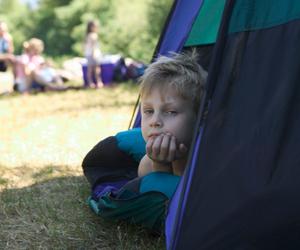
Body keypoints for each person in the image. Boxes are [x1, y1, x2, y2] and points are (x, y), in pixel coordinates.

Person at [138, 51, 207, 177]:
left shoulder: (207, 162)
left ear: (200, 116)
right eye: (149, 111)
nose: (155, 121)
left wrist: (179, 167)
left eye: (170, 112)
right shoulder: (146, 164)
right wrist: (159, 166)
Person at [83, 20, 103, 88]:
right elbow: (93, 46)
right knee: (96, 68)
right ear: (91, 27)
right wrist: (94, 53)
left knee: (90, 69)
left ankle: (90, 83)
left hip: (88, 54)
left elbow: (84, 46)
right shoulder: (93, 35)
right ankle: (98, 82)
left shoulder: (87, 35)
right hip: (94, 54)